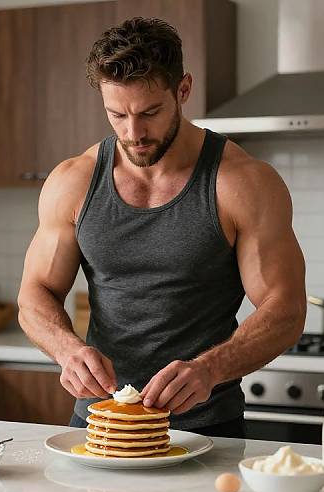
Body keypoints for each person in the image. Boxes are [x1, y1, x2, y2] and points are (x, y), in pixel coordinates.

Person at [17, 17, 306, 438]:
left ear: (183, 90)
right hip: (101, 424)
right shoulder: (73, 181)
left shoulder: (242, 182)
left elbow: (286, 309)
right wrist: (68, 350)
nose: (133, 133)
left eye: (150, 112)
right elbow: (33, 294)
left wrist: (210, 369)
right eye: (116, 114)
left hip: (208, 429)